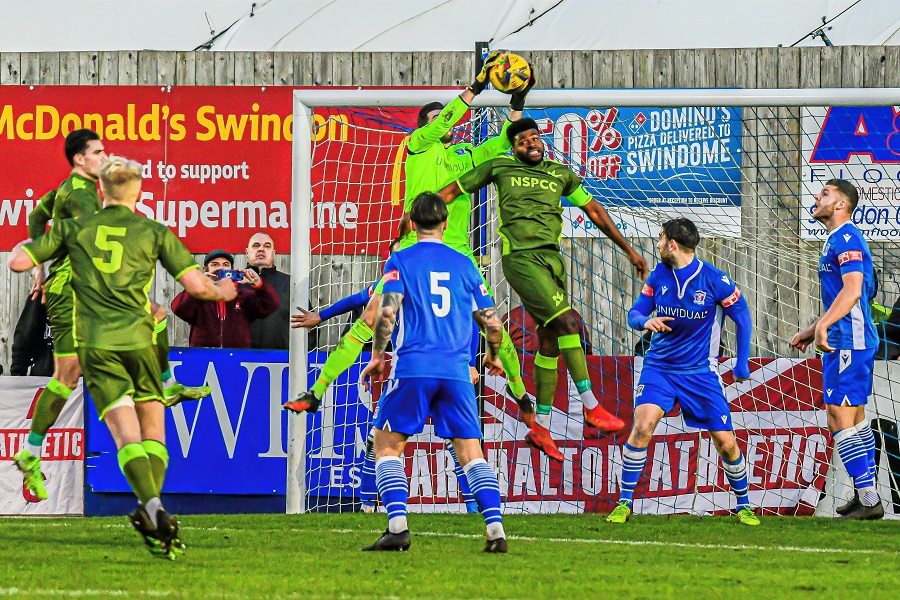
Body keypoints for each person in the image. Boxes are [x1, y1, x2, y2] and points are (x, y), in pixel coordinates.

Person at [8, 156, 239, 558]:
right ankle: (153, 509)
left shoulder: (74, 227)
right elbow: (197, 286)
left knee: (125, 437)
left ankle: (150, 507)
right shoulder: (153, 231)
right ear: (140, 193)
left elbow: (18, 261)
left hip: (98, 346)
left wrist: (35, 259)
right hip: (139, 342)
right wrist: (224, 293)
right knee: (154, 434)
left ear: (100, 192)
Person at [286, 53, 536, 422]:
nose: (442, 121)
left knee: (489, 318)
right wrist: (476, 86)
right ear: (423, 126)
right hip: (412, 248)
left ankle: (520, 393)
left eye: (443, 118)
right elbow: (445, 119)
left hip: (456, 251)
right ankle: (317, 391)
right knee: (371, 315)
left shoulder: (467, 155)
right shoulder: (418, 145)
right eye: (435, 118)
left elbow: (504, 141)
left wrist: (518, 100)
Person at [438, 118, 648, 462]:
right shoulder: (499, 166)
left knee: (550, 338)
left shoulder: (560, 173)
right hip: (520, 259)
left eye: (534, 137)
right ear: (514, 147)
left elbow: (593, 210)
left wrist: (629, 249)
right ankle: (593, 407)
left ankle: (542, 427)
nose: (530, 143)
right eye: (522, 140)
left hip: (553, 261)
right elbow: (451, 191)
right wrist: (419, 218)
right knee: (570, 324)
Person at [358, 193, 508, 552]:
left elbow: (388, 312)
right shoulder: (466, 264)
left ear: (411, 223)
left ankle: (397, 528)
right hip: (457, 372)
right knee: (472, 453)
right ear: (444, 224)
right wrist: (492, 354)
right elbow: (492, 323)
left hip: (414, 366)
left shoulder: (400, 260)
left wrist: (378, 355)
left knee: (387, 446)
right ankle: (496, 530)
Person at [291, 237, 478, 514]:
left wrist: (471, 362)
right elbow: (358, 299)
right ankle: (368, 508)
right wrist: (322, 315)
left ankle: (472, 509)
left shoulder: (419, 278)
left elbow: (471, 320)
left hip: (424, 368)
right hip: (420, 370)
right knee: (382, 439)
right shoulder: (391, 283)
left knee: (446, 441)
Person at [604, 218, 758, 526]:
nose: (657, 244)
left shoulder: (715, 280)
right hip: (659, 367)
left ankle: (744, 504)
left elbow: (742, 318)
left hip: (700, 372)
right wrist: (644, 322)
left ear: (673, 244)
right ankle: (624, 503)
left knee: (725, 442)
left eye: (660, 239)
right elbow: (636, 312)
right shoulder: (659, 275)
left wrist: (742, 362)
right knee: (642, 428)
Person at [790, 179, 883, 520]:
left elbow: (854, 289)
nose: (818, 197)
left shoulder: (847, 237)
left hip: (849, 340)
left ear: (842, 204)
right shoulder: (837, 238)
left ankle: (870, 500)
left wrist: (825, 327)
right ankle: (866, 496)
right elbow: (844, 296)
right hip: (848, 337)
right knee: (854, 418)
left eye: (826, 194)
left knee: (839, 415)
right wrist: (813, 328)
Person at [172, 249, 279, 348]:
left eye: (225, 265)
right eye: (215, 264)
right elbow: (178, 309)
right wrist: (199, 285)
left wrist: (258, 283)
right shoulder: (198, 296)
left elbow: (272, 305)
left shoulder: (244, 296)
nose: (220, 268)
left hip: (238, 359)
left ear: (231, 270)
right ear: (205, 269)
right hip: (203, 359)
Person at [245, 232, 293, 350]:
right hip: (238, 361)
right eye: (256, 245)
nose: (261, 249)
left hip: (281, 363)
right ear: (247, 252)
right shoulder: (233, 283)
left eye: (267, 246)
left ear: (274, 254)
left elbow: (308, 327)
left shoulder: (290, 284)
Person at [10, 293, 54, 376]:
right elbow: (23, 341)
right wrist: (17, 377)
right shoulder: (43, 293)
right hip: (45, 380)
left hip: (82, 381)